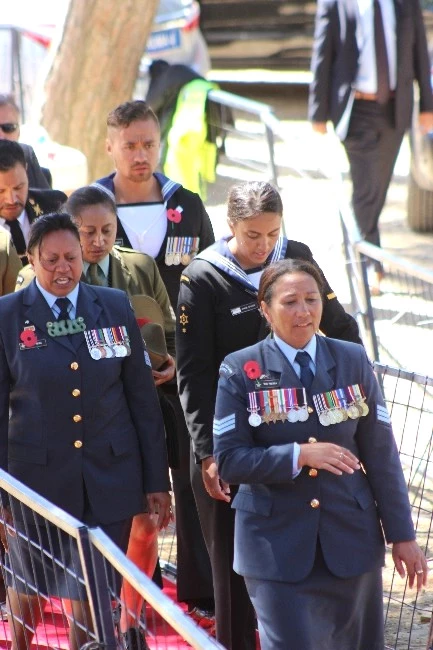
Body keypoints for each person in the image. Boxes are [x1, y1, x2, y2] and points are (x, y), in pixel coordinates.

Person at [176, 180, 362, 650]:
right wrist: (207, 452)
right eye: (252, 235)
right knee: (234, 564)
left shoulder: (295, 257)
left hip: (303, 432)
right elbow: (194, 374)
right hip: (233, 437)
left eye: (272, 233)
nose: (264, 247)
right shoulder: (203, 277)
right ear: (230, 227)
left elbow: (341, 330)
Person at [213, 257, 427, 650]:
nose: (303, 312)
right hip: (276, 549)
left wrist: (402, 535)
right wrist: (298, 456)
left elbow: (382, 455)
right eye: (290, 302)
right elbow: (229, 460)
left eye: (312, 300)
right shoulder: (240, 369)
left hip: (350, 540)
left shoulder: (351, 359)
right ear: (266, 308)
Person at [0, 213, 171, 650]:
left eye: (71, 258)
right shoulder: (7, 316)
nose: (63, 269)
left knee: (93, 593)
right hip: (36, 482)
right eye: (51, 259)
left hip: (109, 475)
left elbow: (141, 400)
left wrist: (156, 481)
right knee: (30, 584)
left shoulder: (113, 305)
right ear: (31, 259)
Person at [94, 100, 215, 622]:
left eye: (149, 144)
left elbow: (208, 278)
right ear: (110, 146)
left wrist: (182, 359)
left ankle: (197, 590)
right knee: (127, 486)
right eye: (130, 145)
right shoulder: (91, 208)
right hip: (114, 374)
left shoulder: (185, 203)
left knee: (191, 480)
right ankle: (119, 592)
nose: (140, 155)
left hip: (181, 371)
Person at [308, 0, 433, 289]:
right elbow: (322, 54)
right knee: (365, 188)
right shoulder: (336, 3)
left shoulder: (404, 3)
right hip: (356, 109)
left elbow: (419, 51)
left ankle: (361, 247)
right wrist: (318, 112)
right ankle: (367, 263)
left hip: (394, 109)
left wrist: (427, 105)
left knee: (378, 187)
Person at [0, 141, 66, 265]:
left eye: (18, 187)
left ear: (26, 169)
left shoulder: (55, 206)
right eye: (1, 191)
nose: (11, 199)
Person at [0, 94, 51, 189]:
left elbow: (48, 201)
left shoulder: (27, 155)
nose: (1, 136)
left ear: (18, 132)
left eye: (8, 128)